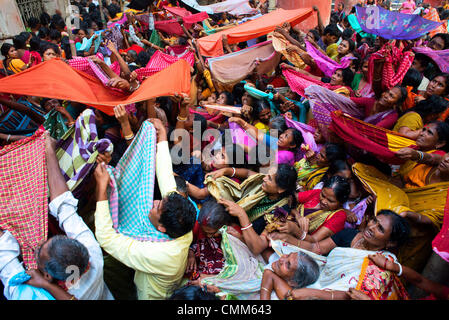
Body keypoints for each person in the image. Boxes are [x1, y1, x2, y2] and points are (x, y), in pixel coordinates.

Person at [0, 133, 113, 300]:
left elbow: (5, 253)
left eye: (39, 251)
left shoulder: (27, 294)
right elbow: (64, 207)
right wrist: (49, 150)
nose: (38, 243)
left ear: (47, 275)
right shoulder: (93, 255)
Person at [93, 118, 197, 300]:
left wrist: (102, 190)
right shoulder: (182, 227)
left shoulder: (159, 254)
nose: (155, 202)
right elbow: (165, 174)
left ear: (162, 229)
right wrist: (162, 136)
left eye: (157, 208)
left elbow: (106, 238)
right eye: (160, 201)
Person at [262, 210, 410, 300]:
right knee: (273, 251)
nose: (371, 227)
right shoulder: (350, 235)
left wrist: (313, 293)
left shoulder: (383, 263)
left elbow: (352, 294)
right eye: (373, 220)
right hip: (321, 275)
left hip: (331, 293)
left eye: (380, 229)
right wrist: (288, 239)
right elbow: (316, 247)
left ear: (390, 243)